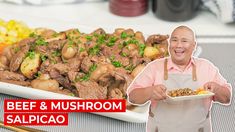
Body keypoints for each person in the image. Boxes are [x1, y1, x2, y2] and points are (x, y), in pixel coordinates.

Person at [127, 25, 232, 132]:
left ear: (194, 45)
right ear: (169, 44)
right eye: (174, 40)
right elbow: (132, 97)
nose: (178, 45)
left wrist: (217, 89)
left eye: (184, 41)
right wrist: (150, 91)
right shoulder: (155, 67)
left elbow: (227, 98)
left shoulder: (206, 67)